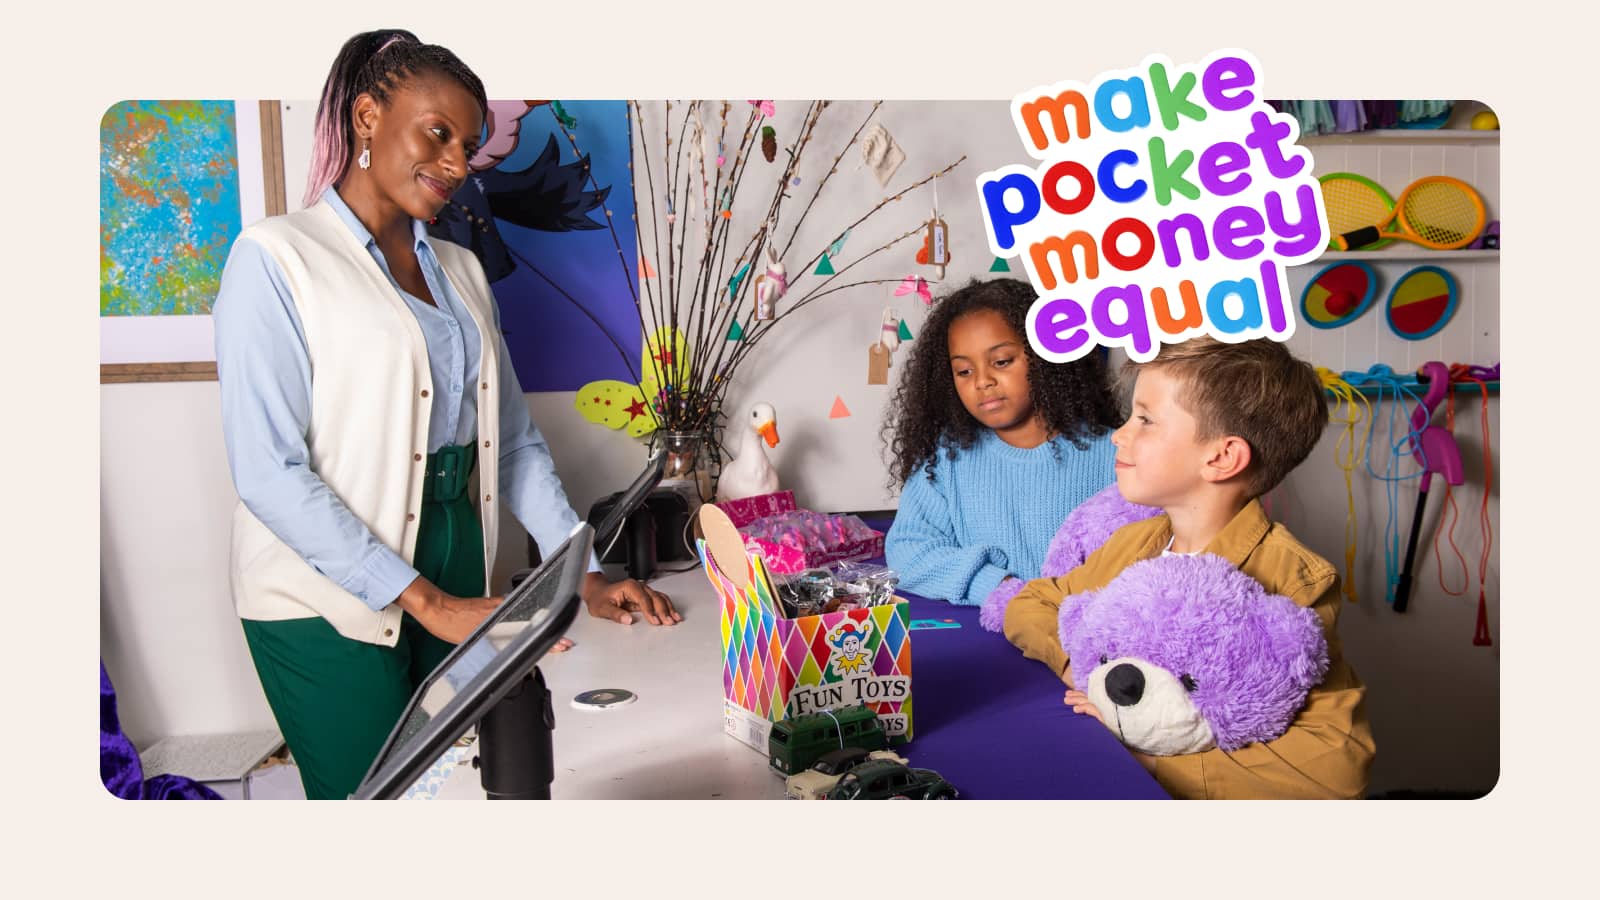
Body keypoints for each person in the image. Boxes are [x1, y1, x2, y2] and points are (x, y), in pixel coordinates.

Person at [213, 29, 679, 799]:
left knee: (459, 791)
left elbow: (515, 448)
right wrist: (428, 603)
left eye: (468, 143)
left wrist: (584, 576)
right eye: (438, 135)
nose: (459, 165)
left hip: (458, 555)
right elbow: (269, 470)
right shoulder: (275, 258)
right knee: (376, 801)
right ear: (367, 117)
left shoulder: (461, 270)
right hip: (319, 590)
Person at [1003, 336, 1375, 799]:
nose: (1119, 435)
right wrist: (1076, 664)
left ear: (1220, 457)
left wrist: (1151, 759)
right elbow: (1032, 602)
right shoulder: (1134, 543)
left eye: (1144, 419)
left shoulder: (1291, 580)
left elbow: (1336, 769)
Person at [882, 278, 1121, 606]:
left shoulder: (1118, 454)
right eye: (964, 371)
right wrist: (999, 587)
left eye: (1002, 362)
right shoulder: (945, 459)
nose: (982, 381)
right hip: (988, 643)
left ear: (1045, 356)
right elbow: (908, 551)